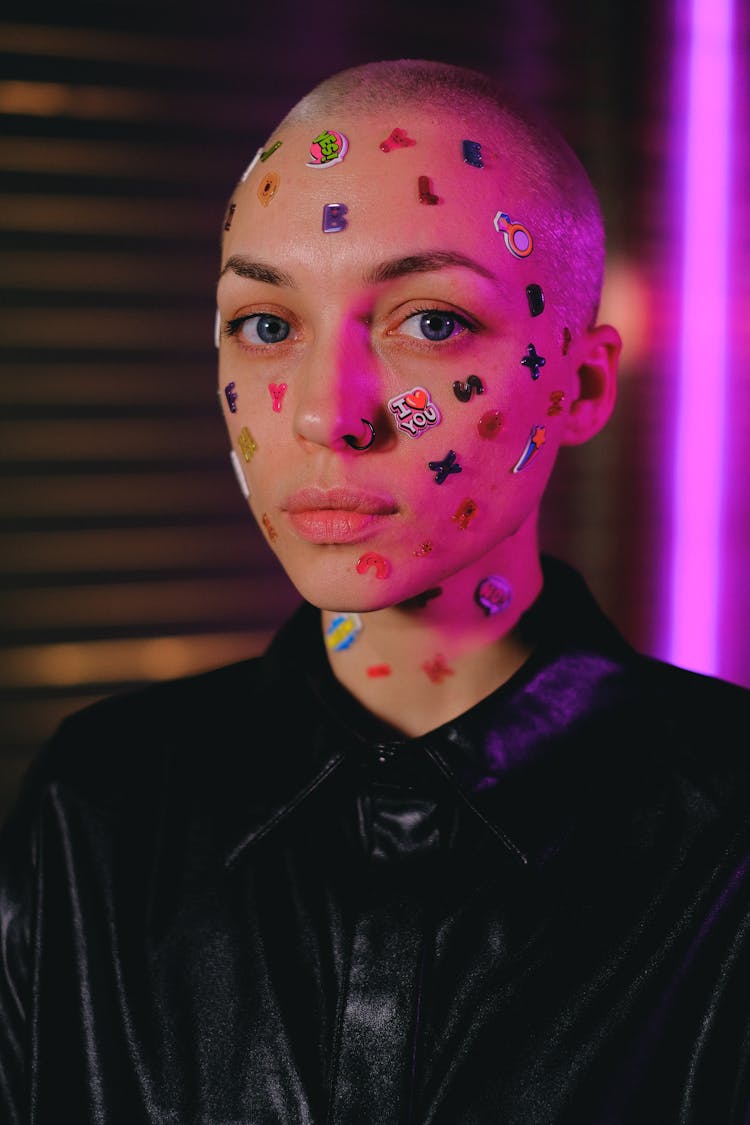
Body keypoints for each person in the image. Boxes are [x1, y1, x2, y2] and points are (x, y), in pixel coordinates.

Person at [1, 57, 749, 1125]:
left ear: (579, 382)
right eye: (267, 325)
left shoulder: (725, 840)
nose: (325, 413)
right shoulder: (100, 802)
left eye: (430, 322)